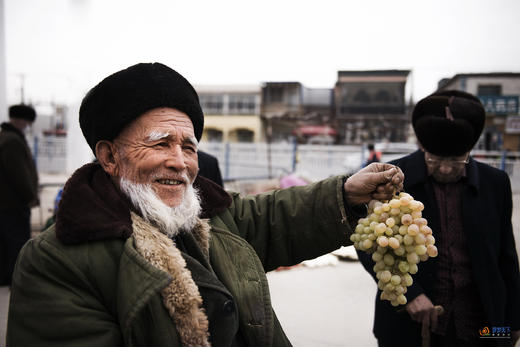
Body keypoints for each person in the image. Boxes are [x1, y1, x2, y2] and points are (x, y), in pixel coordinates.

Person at [7, 62, 403, 347]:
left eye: (188, 147)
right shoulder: (55, 261)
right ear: (109, 157)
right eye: (161, 143)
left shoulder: (209, 216)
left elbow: (274, 217)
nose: (179, 162)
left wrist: (347, 193)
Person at [357, 90, 520, 347]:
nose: (445, 168)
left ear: (470, 149)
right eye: (434, 159)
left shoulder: (495, 183)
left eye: (456, 161)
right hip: (410, 325)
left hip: (482, 327)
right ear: (422, 147)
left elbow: (506, 258)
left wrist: (511, 324)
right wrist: (409, 294)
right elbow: (369, 246)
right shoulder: (391, 178)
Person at [0, 104, 39, 286]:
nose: (27, 126)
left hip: (7, 203)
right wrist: (31, 196)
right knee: (17, 242)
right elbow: (19, 174)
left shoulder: (5, 137)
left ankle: (7, 276)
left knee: (6, 242)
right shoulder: (13, 141)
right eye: (27, 122)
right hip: (14, 203)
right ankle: (16, 278)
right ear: (21, 120)